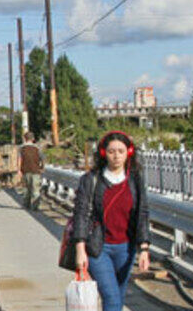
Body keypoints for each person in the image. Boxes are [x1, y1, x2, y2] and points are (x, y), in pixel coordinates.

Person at [72, 131, 151, 311]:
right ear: (103, 153)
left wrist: (144, 248)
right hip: (98, 248)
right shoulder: (91, 180)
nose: (116, 156)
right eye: (111, 151)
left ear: (129, 153)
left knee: (118, 297)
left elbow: (142, 213)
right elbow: (81, 214)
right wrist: (80, 249)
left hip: (126, 249)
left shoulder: (135, 180)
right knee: (112, 298)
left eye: (121, 151)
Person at [19, 133, 44, 210]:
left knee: (26, 188)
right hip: (36, 170)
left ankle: (26, 204)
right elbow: (42, 158)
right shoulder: (37, 148)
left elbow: (19, 159)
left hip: (25, 170)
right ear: (33, 139)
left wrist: (19, 170)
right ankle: (35, 206)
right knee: (36, 189)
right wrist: (42, 167)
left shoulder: (21, 148)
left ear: (25, 138)